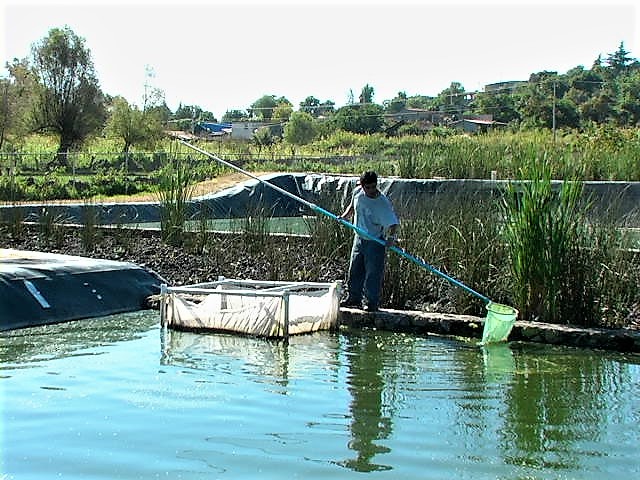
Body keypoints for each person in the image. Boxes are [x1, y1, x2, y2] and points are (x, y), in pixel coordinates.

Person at [339, 170, 399, 312]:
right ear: (362, 185)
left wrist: (391, 238)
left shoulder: (382, 203)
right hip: (359, 238)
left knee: (373, 273)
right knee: (354, 270)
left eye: (374, 187)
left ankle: (371, 303)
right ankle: (354, 298)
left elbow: (393, 224)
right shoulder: (358, 192)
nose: (371, 190)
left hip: (375, 241)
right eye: (368, 187)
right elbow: (352, 206)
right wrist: (345, 216)